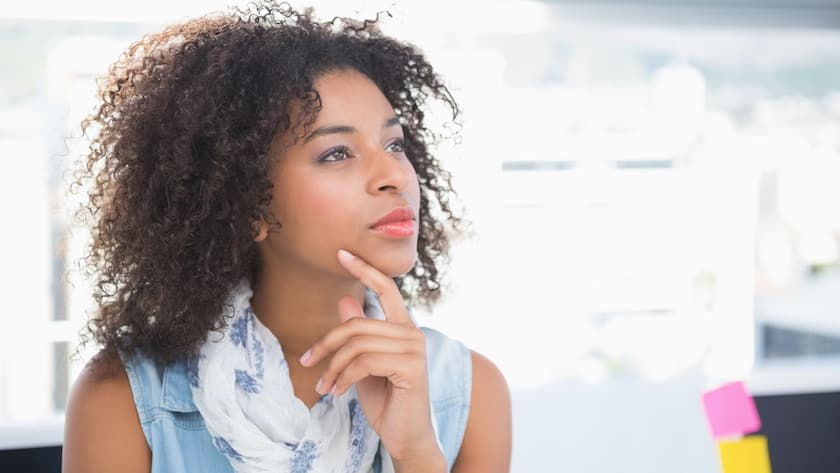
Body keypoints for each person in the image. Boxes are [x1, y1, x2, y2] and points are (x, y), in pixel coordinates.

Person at [61, 2, 512, 472]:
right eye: (337, 153)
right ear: (249, 205)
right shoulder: (123, 398)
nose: (394, 176)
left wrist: (415, 452)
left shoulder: (471, 392)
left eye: (394, 144)